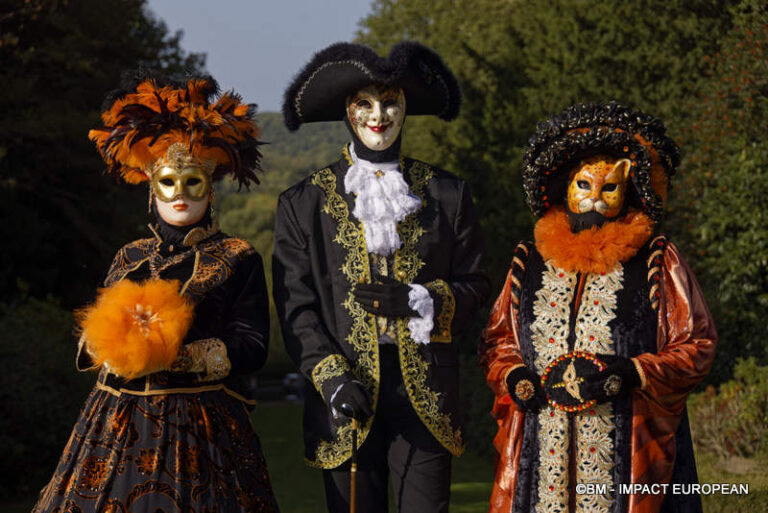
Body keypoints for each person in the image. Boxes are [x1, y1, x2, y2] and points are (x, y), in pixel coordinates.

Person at [32, 72, 280, 513]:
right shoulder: (130, 256)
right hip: (113, 427)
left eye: (192, 182)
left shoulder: (237, 256)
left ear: (210, 185)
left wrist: (177, 353)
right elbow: (92, 331)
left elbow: (253, 345)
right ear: (151, 185)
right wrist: (103, 345)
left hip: (201, 430)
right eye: (168, 181)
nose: (180, 194)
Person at [273, 41, 489, 513]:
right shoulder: (303, 203)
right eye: (364, 104)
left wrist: (419, 300)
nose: (378, 115)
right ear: (347, 112)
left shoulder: (448, 194)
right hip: (346, 394)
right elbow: (296, 307)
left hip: (427, 397)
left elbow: (477, 285)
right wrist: (330, 380)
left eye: (390, 102)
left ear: (406, 107)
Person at [480, 101, 717, 513]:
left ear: (627, 189)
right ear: (565, 186)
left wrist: (634, 371)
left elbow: (696, 344)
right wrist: (516, 375)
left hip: (627, 449)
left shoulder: (656, 260)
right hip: (543, 452)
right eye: (583, 186)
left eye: (608, 188)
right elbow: (499, 341)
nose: (594, 199)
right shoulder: (528, 261)